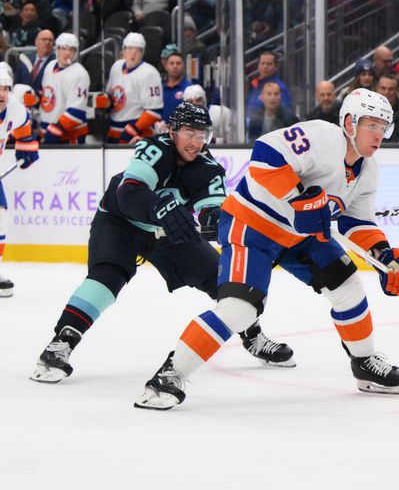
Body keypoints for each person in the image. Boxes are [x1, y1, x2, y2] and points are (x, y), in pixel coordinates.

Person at [134, 90, 399, 410]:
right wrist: (299, 197)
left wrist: (387, 259)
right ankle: (169, 375)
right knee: (239, 310)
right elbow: (265, 154)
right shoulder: (323, 136)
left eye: (384, 128)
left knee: (348, 285)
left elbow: (357, 223)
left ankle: (364, 363)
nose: (379, 135)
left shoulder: (367, 170)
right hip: (253, 227)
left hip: (299, 236)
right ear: (350, 123)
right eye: (373, 125)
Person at [29, 102, 293, 383]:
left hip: (169, 231)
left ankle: (252, 336)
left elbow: (212, 210)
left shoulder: (209, 168)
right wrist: (160, 207)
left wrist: (216, 221)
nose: (195, 142)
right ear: (172, 131)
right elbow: (128, 195)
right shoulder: (153, 150)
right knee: (107, 277)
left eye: (202, 134)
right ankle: (61, 343)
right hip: (120, 224)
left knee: (223, 279)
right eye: (189, 133)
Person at [0, 69, 39, 297]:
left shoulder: (15, 108)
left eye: (6, 89)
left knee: (1, 220)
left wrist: (27, 150)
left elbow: (25, 134)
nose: (2, 94)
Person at [105, 32, 164, 143]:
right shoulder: (116, 67)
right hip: (114, 129)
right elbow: (112, 97)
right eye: (130, 49)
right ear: (123, 50)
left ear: (142, 52)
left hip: (138, 134)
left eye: (138, 50)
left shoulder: (149, 73)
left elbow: (154, 112)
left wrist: (132, 130)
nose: (133, 54)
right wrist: (106, 102)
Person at [39, 32, 91, 145]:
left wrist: (54, 131)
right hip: (48, 131)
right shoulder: (49, 66)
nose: (67, 53)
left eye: (71, 49)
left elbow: (77, 111)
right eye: (63, 48)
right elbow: (47, 96)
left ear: (76, 52)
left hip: (69, 136)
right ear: (56, 50)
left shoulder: (79, 74)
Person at [245, 51, 292, 118]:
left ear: (276, 67)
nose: (265, 66)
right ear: (258, 66)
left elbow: (287, 114)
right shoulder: (255, 85)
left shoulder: (279, 88)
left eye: (269, 64)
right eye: (262, 63)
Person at [161, 48, 192, 120]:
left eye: (178, 63)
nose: (175, 66)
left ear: (183, 66)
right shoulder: (160, 89)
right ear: (166, 67)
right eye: (172, 63)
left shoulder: (190, 88)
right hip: (161, 130)